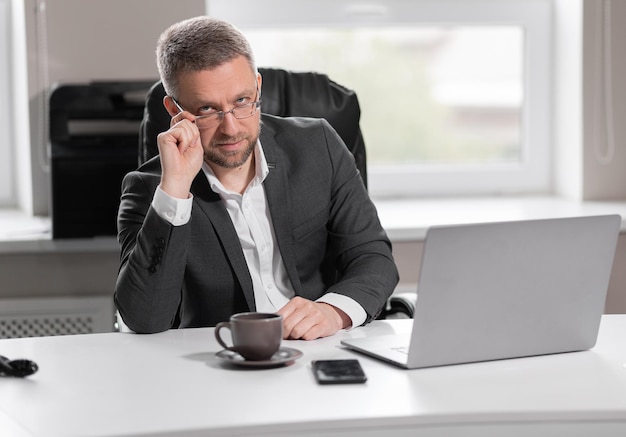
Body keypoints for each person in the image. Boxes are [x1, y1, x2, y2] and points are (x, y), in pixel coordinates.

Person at [114, 16, 399, 340]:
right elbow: (144, 318)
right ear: (174, 109)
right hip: (218, 363)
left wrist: (332, 312)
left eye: (242, 101)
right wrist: (176, 189)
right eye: (207, 109)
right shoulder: (150, 189)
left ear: (258, 88)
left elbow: (374, 259)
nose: (232, 127)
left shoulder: (317, 146)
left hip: (318, 350)